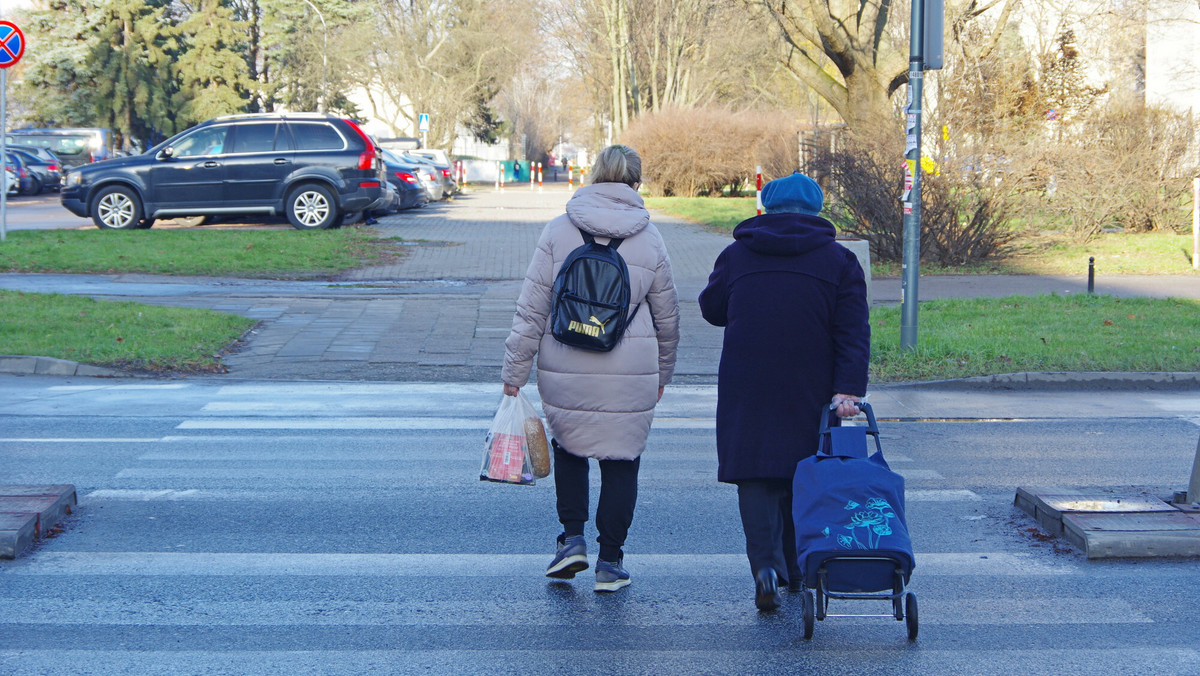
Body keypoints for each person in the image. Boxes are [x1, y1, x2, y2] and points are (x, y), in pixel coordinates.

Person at [502, 144, 680, 593]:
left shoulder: (559, 230)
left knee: (570, 448)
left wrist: (514, 374)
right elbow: (669, 318)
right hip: (631, 368)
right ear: (636, 183)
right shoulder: (651, 238)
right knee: (622, 462)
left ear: (595, 175)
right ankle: (611, 562)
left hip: (566, 360)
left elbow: (531, 309)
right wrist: (663, 373)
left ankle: (572, 540)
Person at [698, 172, 869, 612]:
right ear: (817, 209)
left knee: (755, 475)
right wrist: (847, 389)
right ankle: (797, 569)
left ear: (766, 206)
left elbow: (712, 310)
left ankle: (765, 569)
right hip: (811, 384)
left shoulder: (736, 254)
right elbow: (853, 332)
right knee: (804, 473)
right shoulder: (840, 262)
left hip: (747, 382)